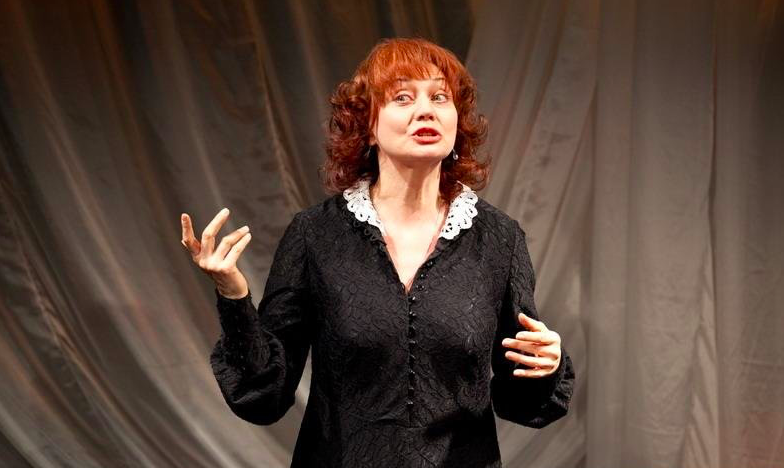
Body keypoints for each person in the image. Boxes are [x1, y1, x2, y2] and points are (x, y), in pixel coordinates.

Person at [180, 37, 574, 467]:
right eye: (403, 97)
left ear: (457, 122)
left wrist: (546, 366)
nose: (425, 110)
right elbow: (264, 394)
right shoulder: (315, 234)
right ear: (367, 126)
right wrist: (234, 296)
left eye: (439, 97)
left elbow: (523, 403)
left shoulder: (499, 239)